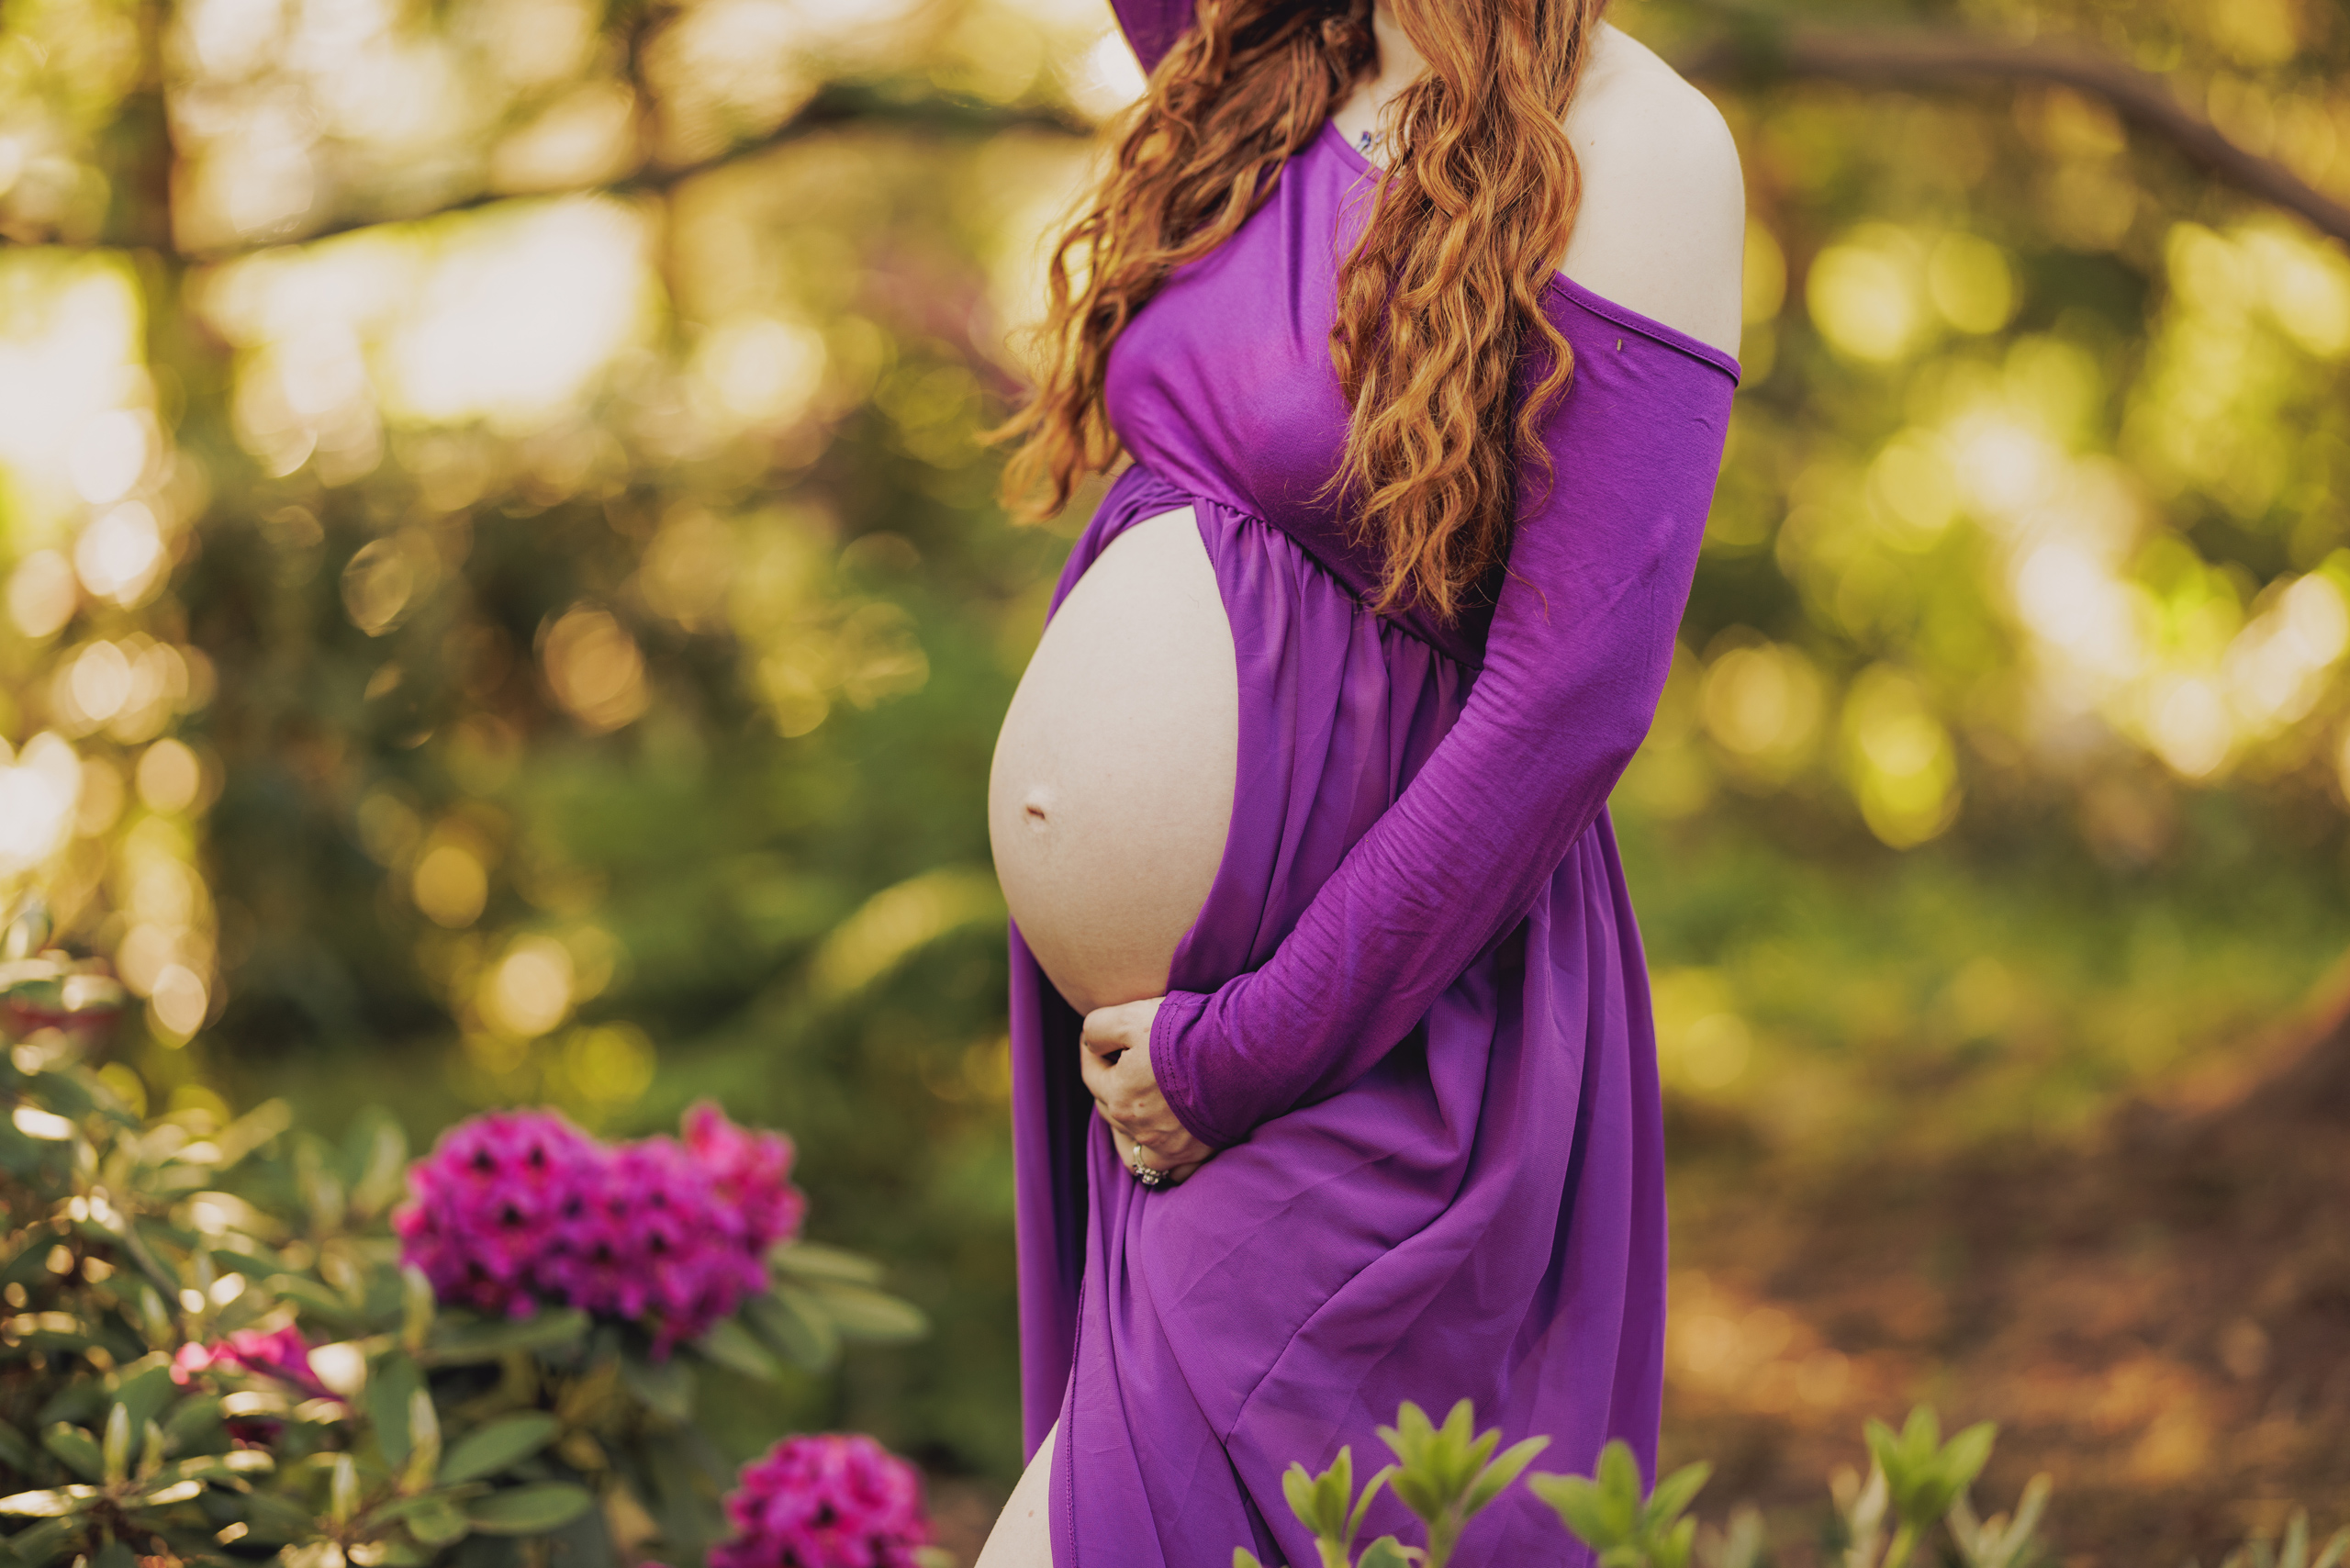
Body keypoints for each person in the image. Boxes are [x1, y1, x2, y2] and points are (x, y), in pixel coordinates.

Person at [981, 0, 1744, 1562]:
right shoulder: (1272, 62)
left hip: (1384, 1047)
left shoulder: (1641, 144)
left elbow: (1572, 703)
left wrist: (1245, 1053)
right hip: (1180, 1056)